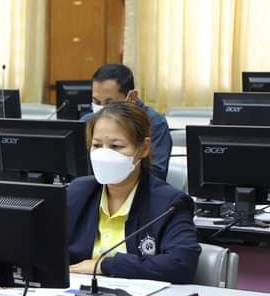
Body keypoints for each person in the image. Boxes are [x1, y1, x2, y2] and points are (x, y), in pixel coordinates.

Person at [67, 102, 200, 283]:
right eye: (97, 145)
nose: (104, 155)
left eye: (116, 146)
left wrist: (104, 265)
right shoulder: (77, 192)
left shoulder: (170, 203)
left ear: (143, 148)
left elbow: (181, 264)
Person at [81, 63, 172, 180]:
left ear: (132, 97)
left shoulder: (154, 123)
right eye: (97, 102)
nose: (102, 109)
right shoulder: (87, 121)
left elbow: (156, 174)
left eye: (110, 103)